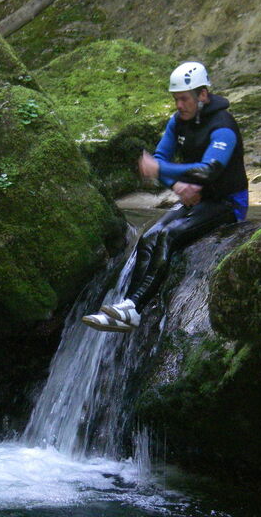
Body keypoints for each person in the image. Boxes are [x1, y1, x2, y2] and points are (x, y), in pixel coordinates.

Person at [82, 61, 248, 332]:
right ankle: (125, 308)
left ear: (202, 95)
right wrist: (178, 185)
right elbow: (160, 157)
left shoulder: (223, 127)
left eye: (184, 99)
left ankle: (134, 308)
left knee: (169, 236)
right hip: (197, 198)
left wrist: (164, 172)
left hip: (228, 203)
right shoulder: (177, 122)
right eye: (175, 99)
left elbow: (209, 169)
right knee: (149, 237)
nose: (178, 105)